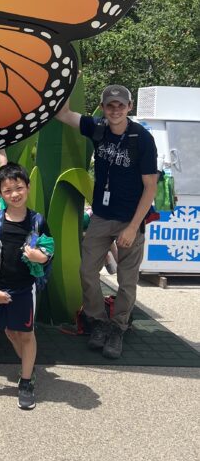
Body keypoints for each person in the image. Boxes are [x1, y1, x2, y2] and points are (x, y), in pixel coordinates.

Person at [55, 85, 157, 359]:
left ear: (129, 107)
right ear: (102, 107)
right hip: (101, 215)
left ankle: (118, 328)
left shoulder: (142, 138)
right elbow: (63, 114)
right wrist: (66, 78)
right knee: (87, 271)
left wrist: (134, 226)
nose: (115, 110)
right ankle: (98, 322)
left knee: (127, 280)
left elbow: (150, 187)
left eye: (120, 105)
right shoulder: (97, 127)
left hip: (130, 219)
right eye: (110, 105)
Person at [0, 163, 51, 410]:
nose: (14, 194)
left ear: (28, 187)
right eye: (7, 190)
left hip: (24, 288)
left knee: (26, 335)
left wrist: (42, 257)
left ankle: (26, 382)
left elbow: (48, 251)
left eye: (19, 187)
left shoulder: (38, 220)